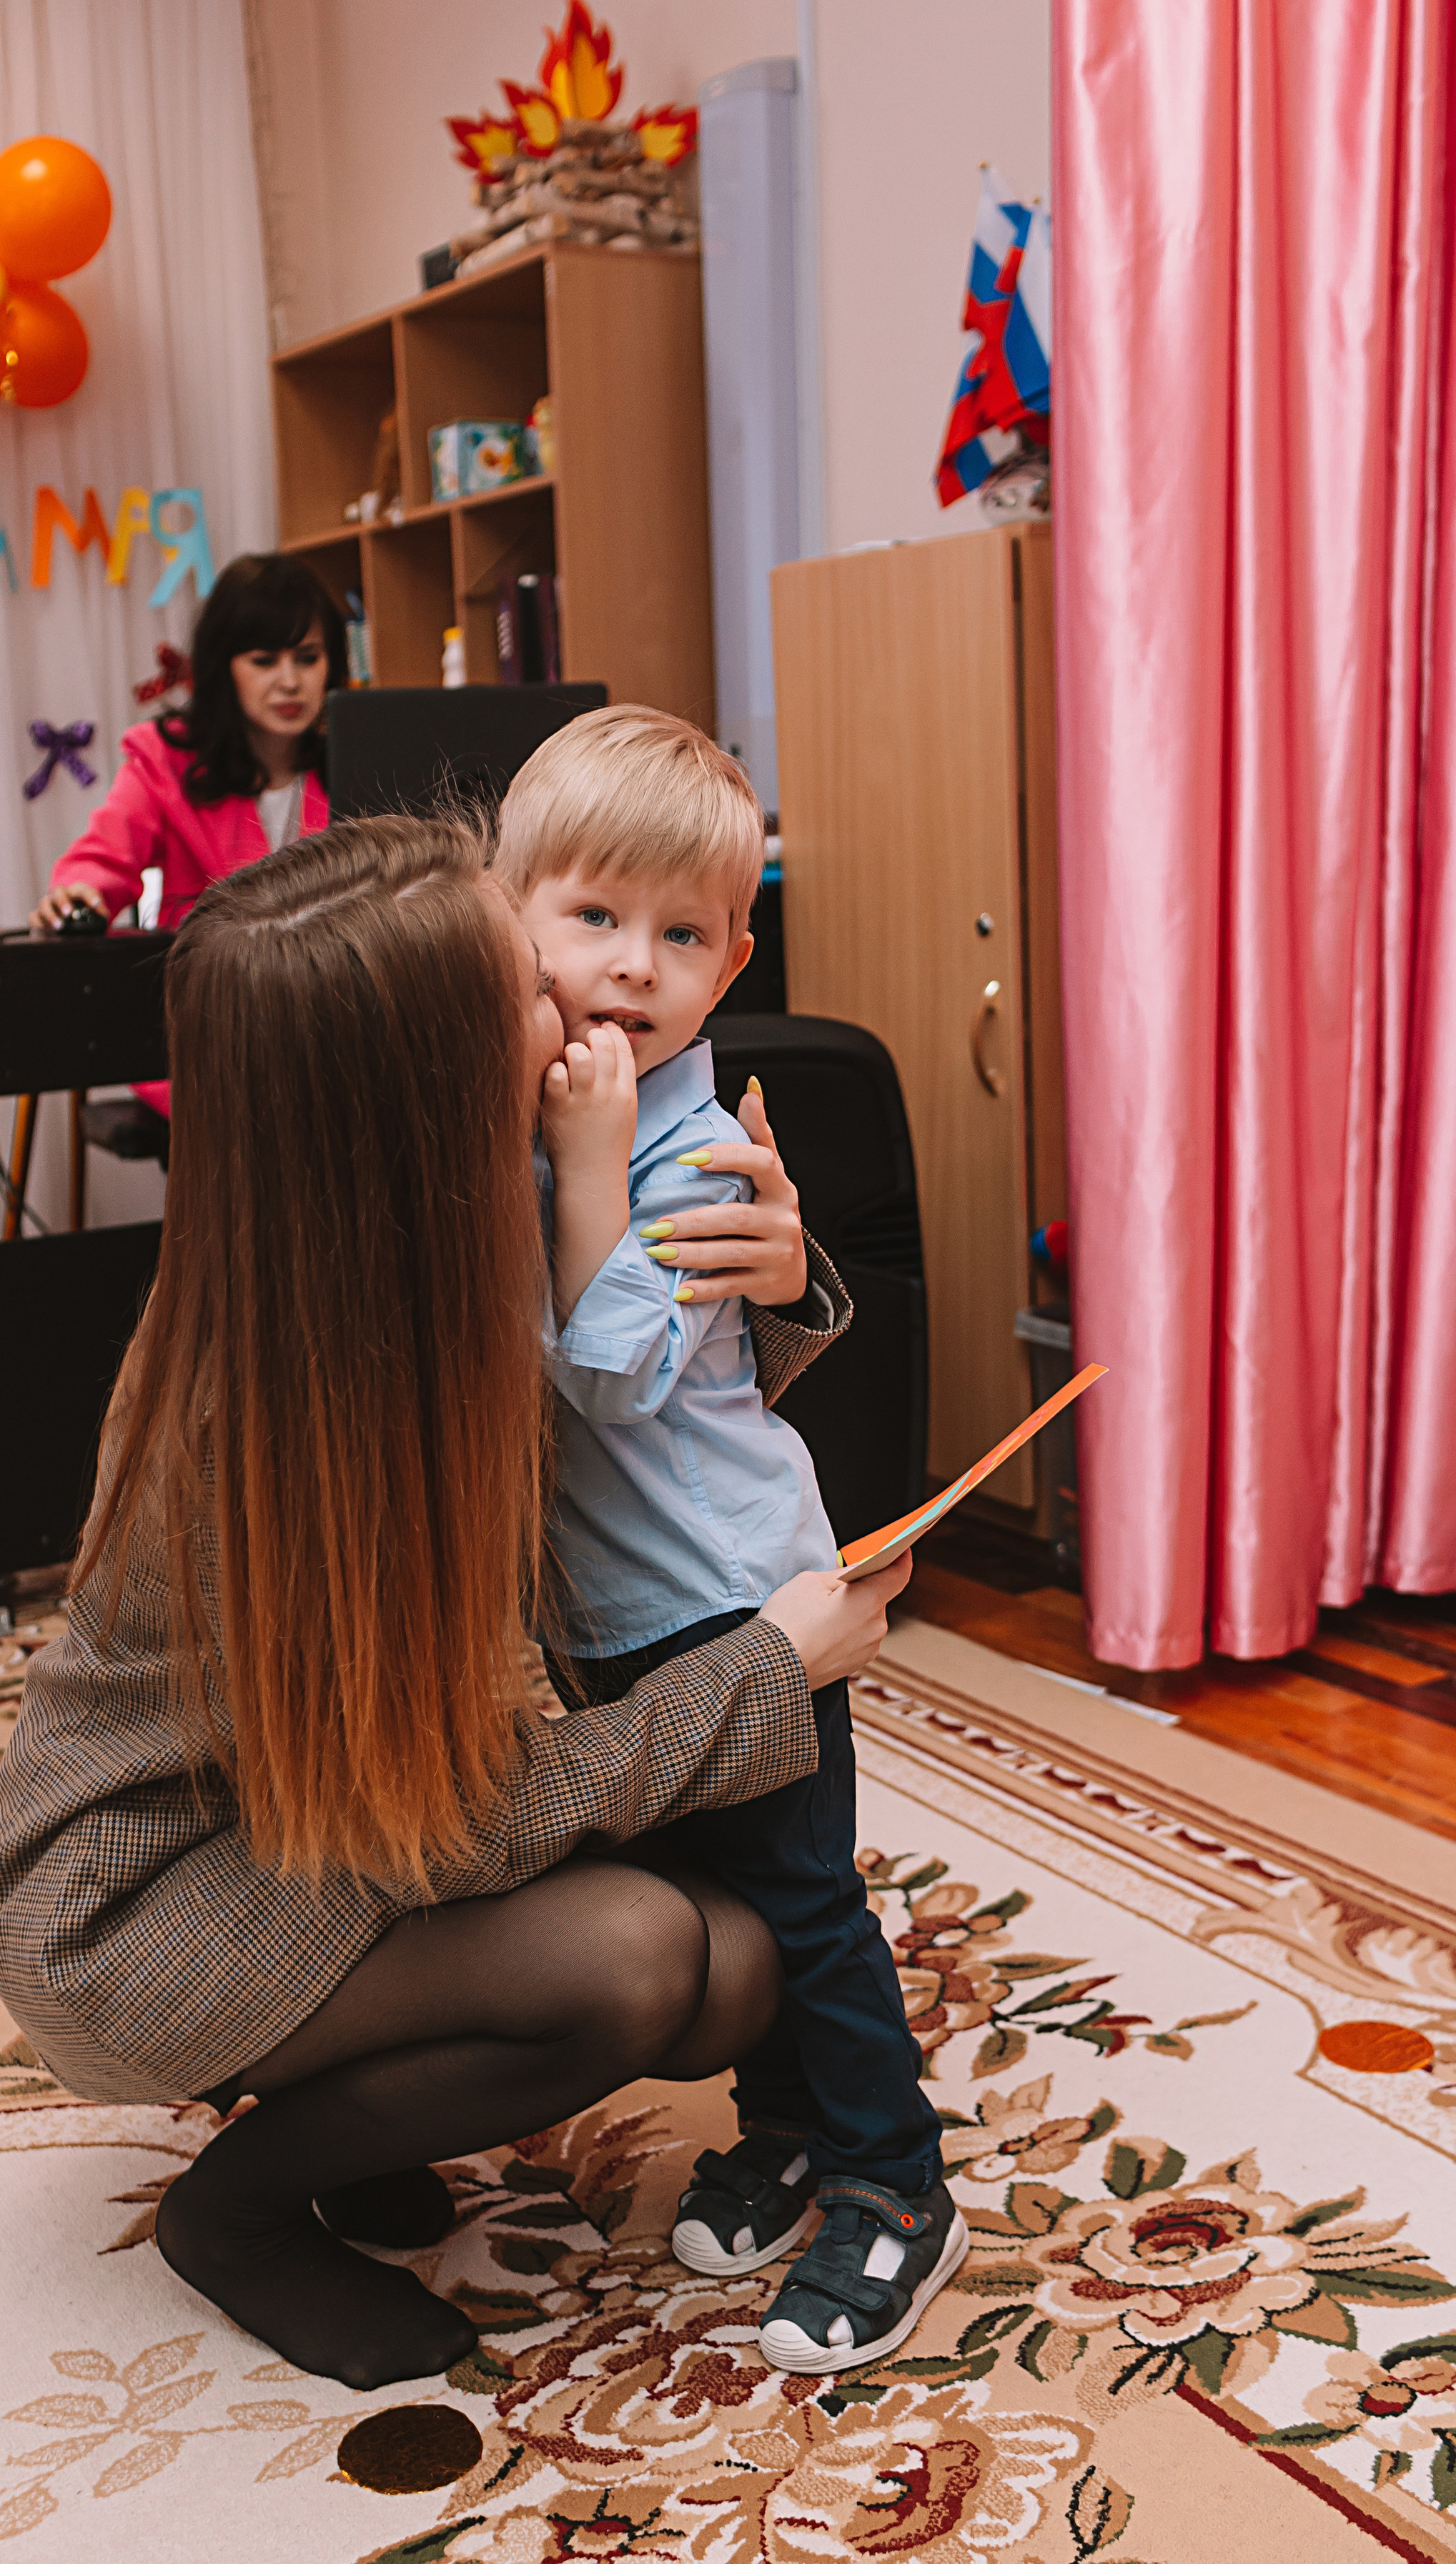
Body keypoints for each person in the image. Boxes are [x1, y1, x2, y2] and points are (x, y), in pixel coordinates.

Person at [0, 811, 911, 2395]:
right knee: (656, 1964)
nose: (585, 992)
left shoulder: (410, 1233)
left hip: (305, 1828)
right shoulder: (278, 1421)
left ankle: (342, 2112)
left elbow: (620, 1412)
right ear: (431, 1086)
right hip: (139, 1914)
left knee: (736, 1939)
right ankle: (242, 2212)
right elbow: (450, 1820)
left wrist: (775, 1273)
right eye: (530, 980)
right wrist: (761, 1669)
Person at [497, 707, 962, 2377]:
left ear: (733, 955)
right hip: (618, 1603)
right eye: (592, 916)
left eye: (680, 934)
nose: (632, 968)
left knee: (801, 1901)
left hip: (732, 1598)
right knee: (722, 1895)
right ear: (507, 910)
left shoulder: (678, 1147)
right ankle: (780, 2124)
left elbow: (607, 1374)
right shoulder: (534, 1105)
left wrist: (587, 1159)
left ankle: (892, 2181)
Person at [29, 553, 346, 1114]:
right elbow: (102, 860)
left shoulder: (359, 754)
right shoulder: (164, 758)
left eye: (308, 657)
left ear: (333, 665)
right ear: (225, 665)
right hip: (214, 1024)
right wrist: (79, 894)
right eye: (264, 659)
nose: (290, 681)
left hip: (334, 1018)